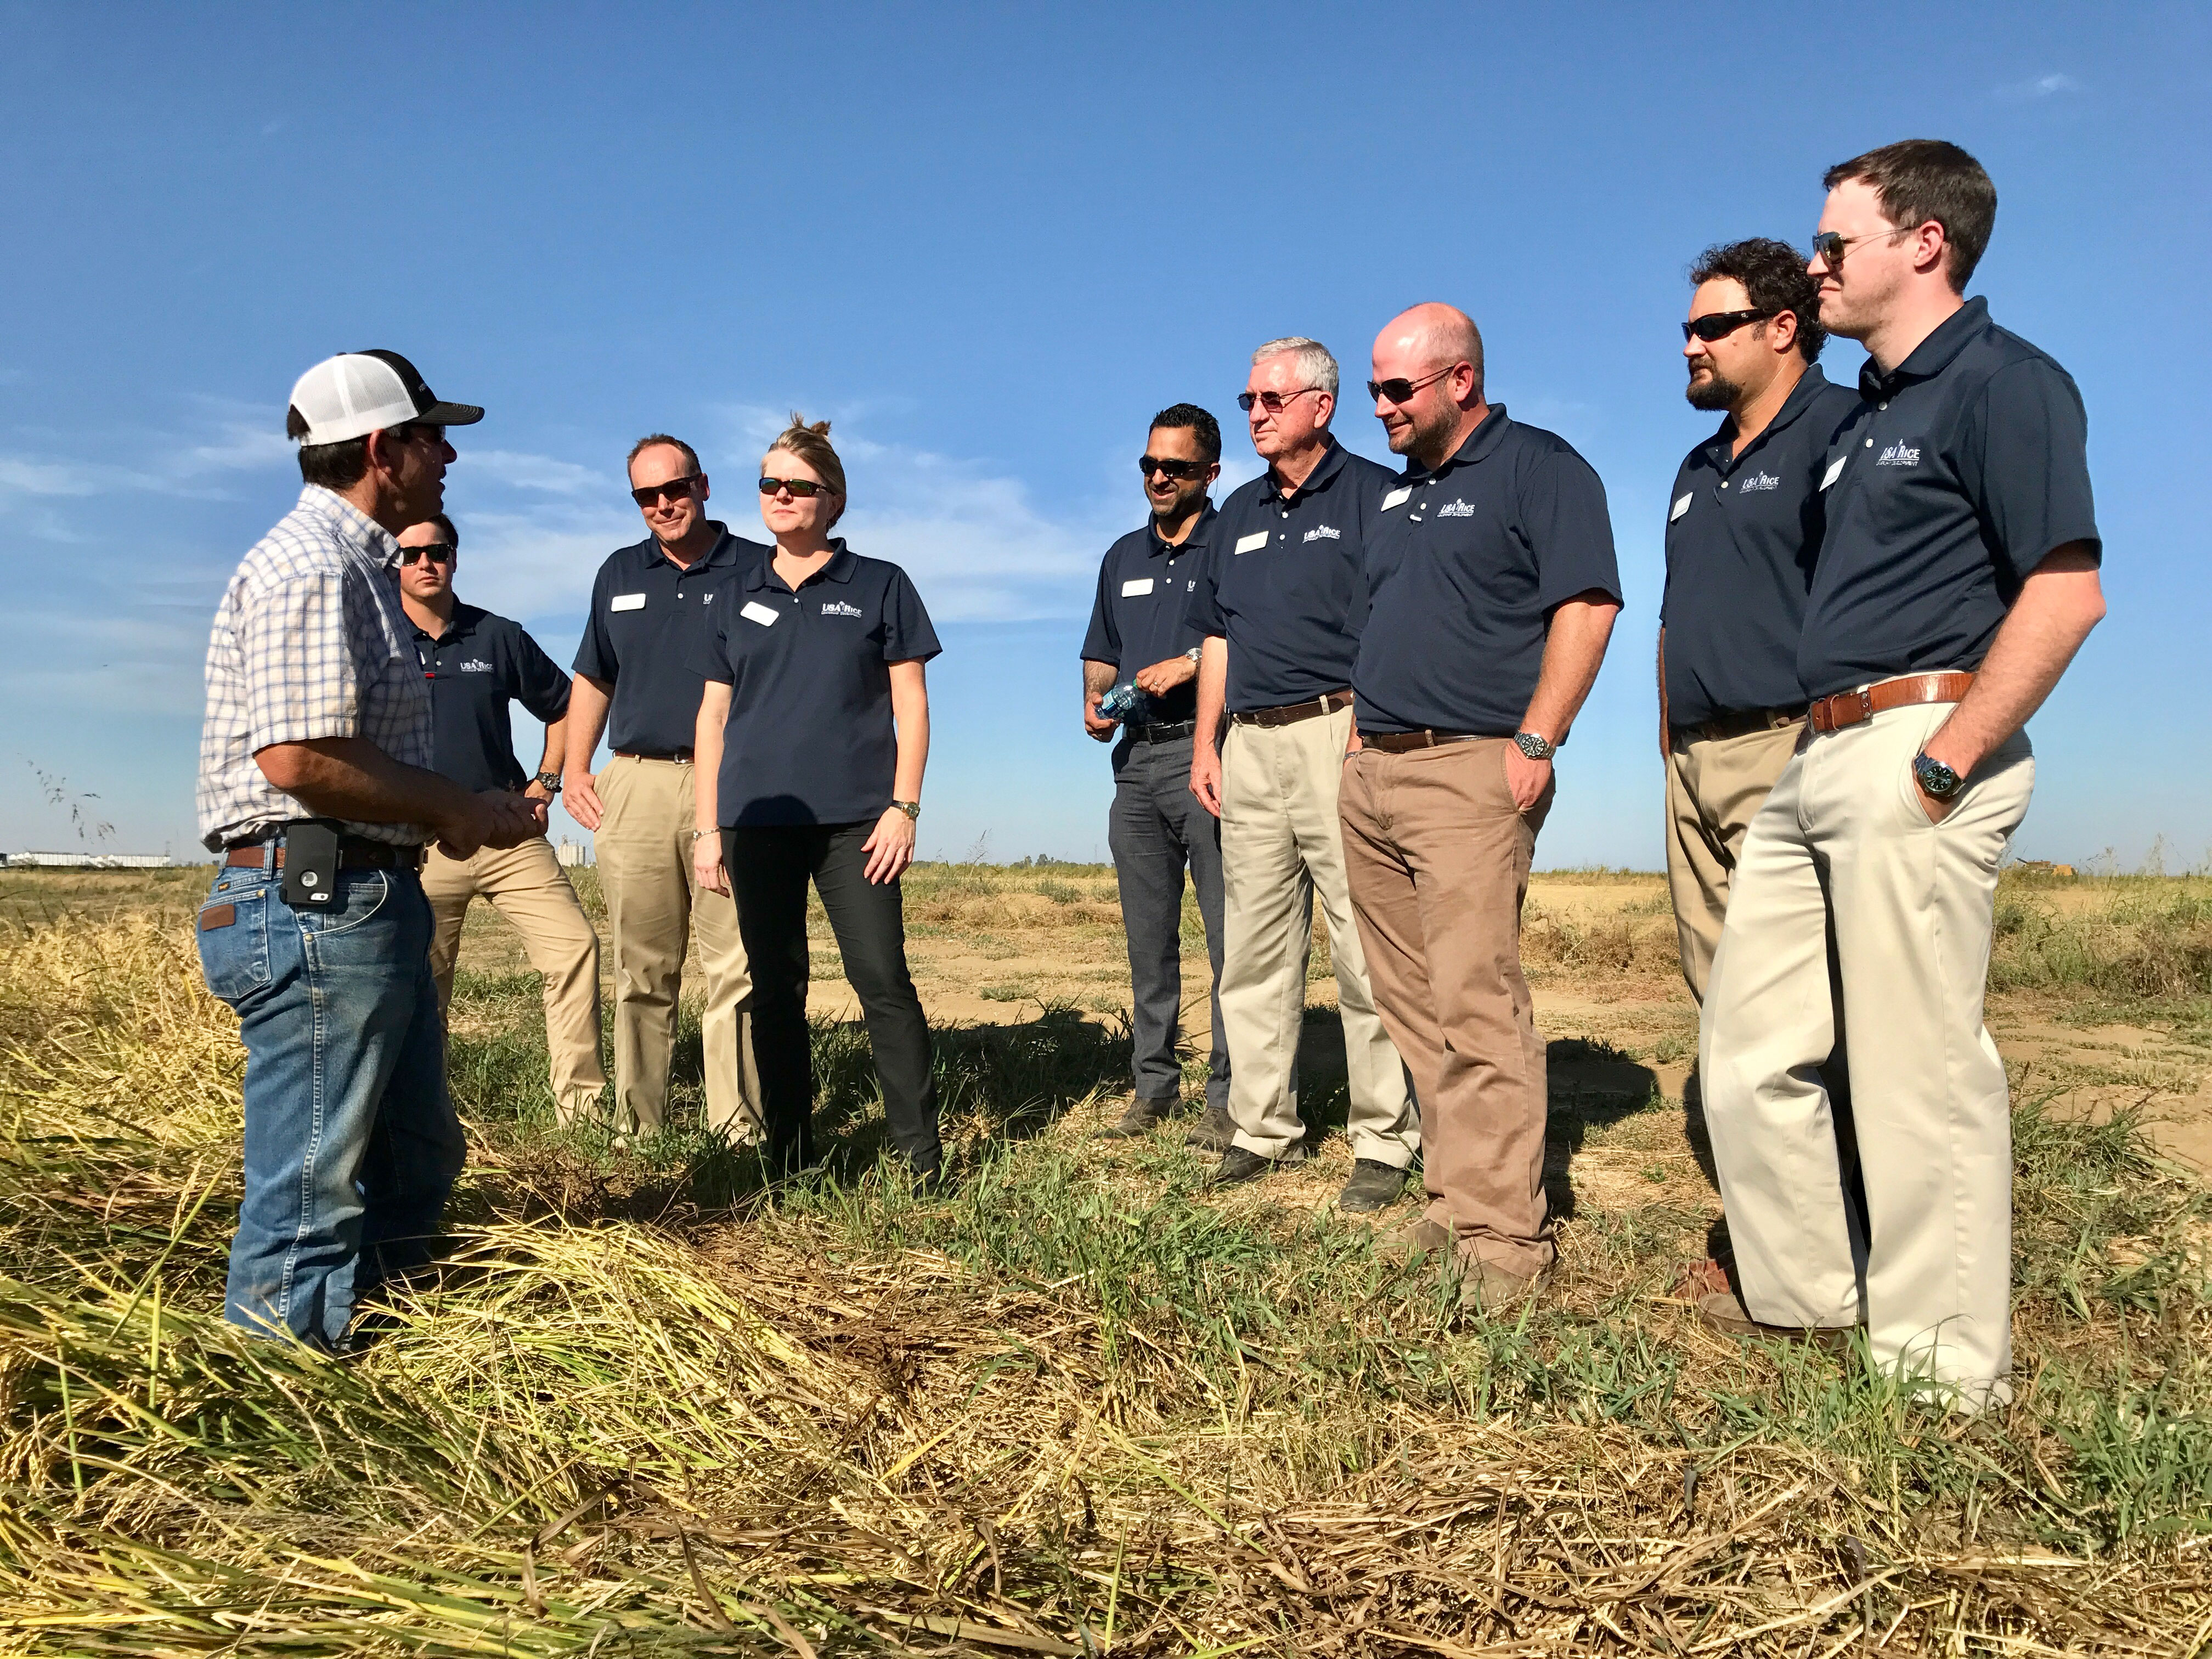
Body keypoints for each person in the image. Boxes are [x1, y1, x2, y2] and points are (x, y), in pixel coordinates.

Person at [1695, 141, 2104, 1410]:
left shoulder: (2004, 383)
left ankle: (1941, 1377)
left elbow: (2067, 591)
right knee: (1748, 1053)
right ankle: (1815, 1304)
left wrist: (1951, 757)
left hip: (1917, 744)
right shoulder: (1860, 413)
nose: (1814, 266)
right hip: (1816, 752)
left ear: (1925, 241)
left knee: (1918, 1071)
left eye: (1835, 245)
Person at [195, 350, 541, 1347]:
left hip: (356, 895)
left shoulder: (359, 568)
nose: (447, 459)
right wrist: (450, 806)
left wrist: (443, 810)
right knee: (312, 1188)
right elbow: (298, 756)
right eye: (435, 438)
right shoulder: (313, 566)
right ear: (385, 450)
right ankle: (284, 1393)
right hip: (317, 903)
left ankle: (378, 1342)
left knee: (415, 1158)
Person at [1339, 304, 1621, 1306]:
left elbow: (1586, 603)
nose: (1377, 407)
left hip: (1469, 769)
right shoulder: (1399, 497)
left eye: (1394, 389)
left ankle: (1506, 1236)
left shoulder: (1539, 468)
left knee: (1475, 994)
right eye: (1374, 388)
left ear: (1459, 380)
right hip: (1372, 768)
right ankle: (1454, 1196)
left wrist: (1538, 737)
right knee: (1409, 999)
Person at [1186, 338, 1418, 1213]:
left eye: (1272, 400)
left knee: (1365, 948)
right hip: (1249, 744)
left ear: (1322, 406)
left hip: (1339, 733)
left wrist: (1373, 719)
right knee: (1252, 950)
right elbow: (1219, 638)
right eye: (1248, 400)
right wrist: (1208, 744)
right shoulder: (1236, 512)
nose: (1254, 414)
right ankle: (1261, 1127)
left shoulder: (1373, 497)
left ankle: (1385, 1141)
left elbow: (1397, 615)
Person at [690, 416, 945, 1187]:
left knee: (884, 982)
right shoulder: (736, 594)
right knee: (775, 991)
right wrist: (707, 828)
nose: (781, 496)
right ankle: (791, 1158)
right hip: (756, 824)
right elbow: (711, 718)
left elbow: (913, 707)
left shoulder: (880, 584)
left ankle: (919, 1160)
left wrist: (904, 808)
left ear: (832, 500)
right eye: (769, 484)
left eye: (798, 486)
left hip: (858, 826)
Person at [1662, 240, 1859, 1001]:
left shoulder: (1846, 430)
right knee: (1718, 986)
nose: (1691, 346)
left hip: (1792, 748)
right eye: (1689, 330)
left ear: (1782, 328)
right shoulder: (1695, 467)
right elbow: (1674, 616)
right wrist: (1671, 742)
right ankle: (1746, 1125)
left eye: (1713, 328)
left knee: (1803, 988)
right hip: (1691, 760)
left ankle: (1839, 1125)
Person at [562, 436, 762, 1141]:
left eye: (674, 489)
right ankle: (637, 1126)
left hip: (731, 787)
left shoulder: (758, 568)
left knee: (736, 968)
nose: (663, 506)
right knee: (640, 970)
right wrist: (574, 767)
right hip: (637, 782)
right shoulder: (618, 573)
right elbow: (594, 675)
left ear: (704, 485)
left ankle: (737, 1129)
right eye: (646, 496)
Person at [396, 513, 607, 1124]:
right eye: (410, 556)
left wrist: (544, 785)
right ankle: (423, 1118)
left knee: (574, 947)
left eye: (436, 551)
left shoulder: (496, 636)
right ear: (395, 567)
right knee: (420, 983)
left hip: (506, 834)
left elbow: (567, 705)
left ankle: (582, 1112)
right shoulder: (378, 639)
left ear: (455, 558)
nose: (424, 564)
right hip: (421, 843)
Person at [1080, 404, 1231, 1138]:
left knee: (1234, 937)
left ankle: (1231, 1095)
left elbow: (1260, 638)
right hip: (1136, 761)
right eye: (1149, 465)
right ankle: (1153, 1088)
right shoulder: (1122, 557)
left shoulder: (1234, 543)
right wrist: (1095, 700)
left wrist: (1193, 662)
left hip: (1213, 757)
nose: (1159, 477)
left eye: (1175, 466)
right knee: (1149, 939)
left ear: (1211, 472)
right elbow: (1100, 650)